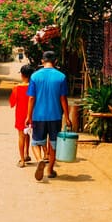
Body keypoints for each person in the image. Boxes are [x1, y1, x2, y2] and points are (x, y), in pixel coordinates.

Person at [25, 50, 70, 181]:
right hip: (55, 116)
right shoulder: (61, 76)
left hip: (38, 116)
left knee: (36, 142)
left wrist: (28, 116)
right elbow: (63, 99)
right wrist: (67, 117)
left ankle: (39, 160)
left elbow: (31, 98)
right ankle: (50, 170)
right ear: (55, 61)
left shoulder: (34, 76)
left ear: (42, 61)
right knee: (54, 144)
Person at [9, 64, 35, 167]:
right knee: (27, 133)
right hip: (32, 114)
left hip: (21, 115)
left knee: (21, 136)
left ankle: (22, 160)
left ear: (22, 75)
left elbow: (12, 104)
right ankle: (27, 154)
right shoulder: (34, 87)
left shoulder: (17, 87)